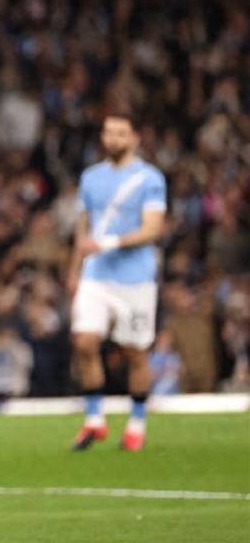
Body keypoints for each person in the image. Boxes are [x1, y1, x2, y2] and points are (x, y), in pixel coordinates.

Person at [67, 110, 166, 452]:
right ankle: (94, 420)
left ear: (134, 138)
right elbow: (83, 228)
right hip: (96, 274)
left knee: (134, 354)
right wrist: (75, 269)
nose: (113, 139)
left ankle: (136, 423)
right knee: (84, 341)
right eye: (109, 132)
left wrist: (108, 243)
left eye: (121, 133)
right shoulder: (91, 177)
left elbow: (153, 229)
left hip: (135, 279)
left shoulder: (149, 179)